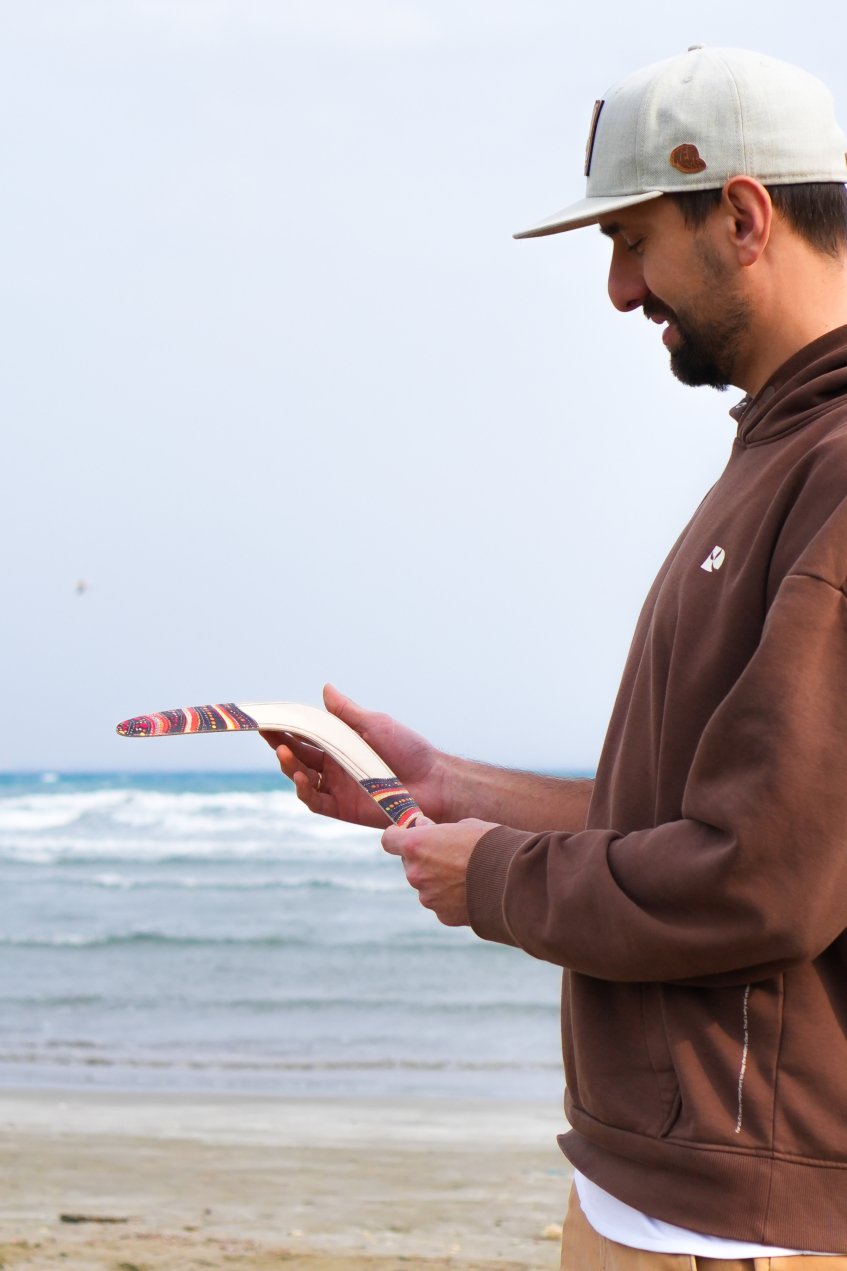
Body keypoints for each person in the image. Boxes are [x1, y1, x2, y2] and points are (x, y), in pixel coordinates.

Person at [268, 46, 847, 1270]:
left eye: (633, 239)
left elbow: (763, 876)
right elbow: (700, 817)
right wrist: (454, 790)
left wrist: (498, 881)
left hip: (740, 1223)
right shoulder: (782, 449)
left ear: (742, 214)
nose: (621, 289)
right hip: (664, 1188)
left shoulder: (837, 468)